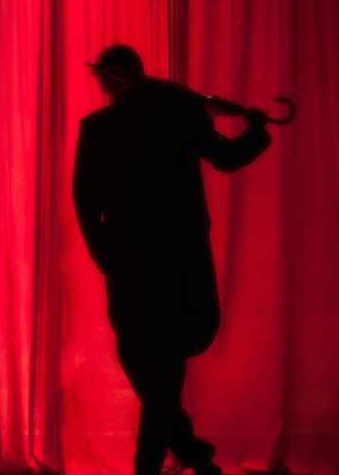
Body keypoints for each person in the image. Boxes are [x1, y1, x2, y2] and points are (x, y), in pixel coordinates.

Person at [73, 45, 272, 475]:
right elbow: (227, 157)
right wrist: (256, 131)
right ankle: (191, 458)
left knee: (148, 369)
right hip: (182, 263)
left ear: (108, 80)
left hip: (131, 266)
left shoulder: (98, 127)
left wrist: (105, 256)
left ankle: (174, 460)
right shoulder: (181, 113)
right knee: (164, 371)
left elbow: (83, 201)